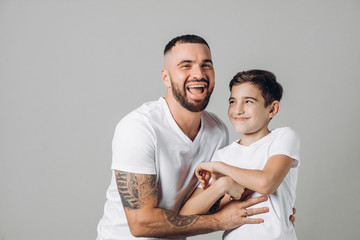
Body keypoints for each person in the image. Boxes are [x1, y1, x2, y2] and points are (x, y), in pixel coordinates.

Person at [96, 35, 271, 240]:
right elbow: (142, 224)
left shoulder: (217, 131)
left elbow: (200, 207)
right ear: (166, 77)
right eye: (185, 66)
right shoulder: (139, 128)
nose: (198, 74)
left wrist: (271, 211)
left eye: (206, 65)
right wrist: (221, 222)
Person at [180, 70, 300, 239]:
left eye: (248, 101)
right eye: (232, 101)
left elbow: (267, 183)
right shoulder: (223, 155)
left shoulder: (282, 138)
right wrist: (222, 185)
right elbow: (186, 215)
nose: (238, 110)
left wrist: (220, 168)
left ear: (272, 109)